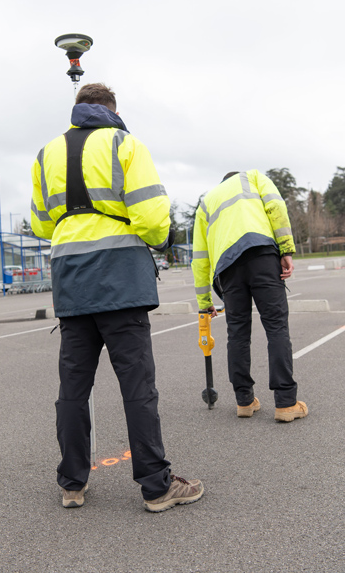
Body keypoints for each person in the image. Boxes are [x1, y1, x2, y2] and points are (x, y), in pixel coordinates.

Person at [30, 82, 203, 511]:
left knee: (73, 388)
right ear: (111, 110)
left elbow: (40, 225)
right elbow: (149, 215)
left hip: (71, 282)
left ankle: (72, 483)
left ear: (77, 110)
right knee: (137, 387)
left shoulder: (46, 153)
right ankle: (156, 486)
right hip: (120, 282)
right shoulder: (125, 144)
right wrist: (159, 237)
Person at [191, 170, 308, 423]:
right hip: (261, 254)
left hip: (228, 268)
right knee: (276, 327)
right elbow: (276, 207)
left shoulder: (207, 201)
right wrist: (286, 249)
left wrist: (204, 302)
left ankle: (244, 401)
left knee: (237, 333)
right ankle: (286, 403)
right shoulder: (253, 177)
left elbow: (199, 257)